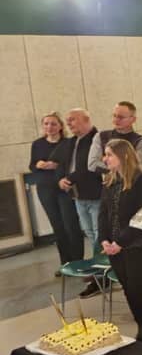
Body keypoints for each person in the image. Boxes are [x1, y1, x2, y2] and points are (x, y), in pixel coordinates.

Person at [97, 139, 142, 343]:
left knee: (137, 288)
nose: (105, 159)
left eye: (109, 155)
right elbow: (103, 214)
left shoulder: (141, 181)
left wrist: (120, 243)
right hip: (113, 245)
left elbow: (141, 218)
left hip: (134, 242)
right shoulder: (109, 180)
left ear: (124, 156)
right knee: (127, 288)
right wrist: (104, 240)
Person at [58, 109, 104, 297]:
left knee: (99, 236)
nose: (69, 123)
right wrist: (62, 179)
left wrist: (69, 178)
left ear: (86, 119)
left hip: (95, 194)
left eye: (72, 120)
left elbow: (88, 166)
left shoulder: (98, 138)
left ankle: (101, 276)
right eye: (67, 120)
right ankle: (98, 269)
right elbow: (65, 164)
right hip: (78, 196)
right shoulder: (72, 141)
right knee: (90, 234)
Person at [29, 112, 84, 268]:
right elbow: (32, 165)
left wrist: (57, 166)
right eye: (46, 124)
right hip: (45, 189)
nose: (49, 127)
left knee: (71, 225)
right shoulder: (37, 144)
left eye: (53, 124)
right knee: (58, 227)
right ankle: (65, 263)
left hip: (64, 188)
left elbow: (74, 164)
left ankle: (78, 261)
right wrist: (39, 165)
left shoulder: (68, 143)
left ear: (60, 126)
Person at [91, 101, 142, 170]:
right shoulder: (100, 136)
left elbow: (137, 166)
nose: (116, 120)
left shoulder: (141, 141)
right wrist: (122, 165)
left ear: (133, 119)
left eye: (121, 117)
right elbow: (92, 164)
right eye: (114, 116)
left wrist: (107, 162)